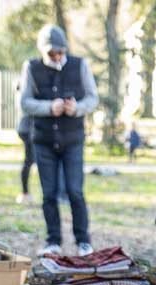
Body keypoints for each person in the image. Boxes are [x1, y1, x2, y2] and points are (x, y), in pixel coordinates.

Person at [21, 25, 98, 257]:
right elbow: (24, 102)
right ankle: (53, 240)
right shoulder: (31, 67)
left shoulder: (80, 65)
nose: (56, 57)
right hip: (43, 140)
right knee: (49, 193)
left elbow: (93, 98)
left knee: (75, 191)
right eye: (51, 53)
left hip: (73, 139)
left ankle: (83, 240)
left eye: (59, 52)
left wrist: (77, 108)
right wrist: (48, 107)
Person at [16, 61, 35, 204]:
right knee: (29, 160)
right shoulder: (26, 88)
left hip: (26, 127)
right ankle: (25, 192)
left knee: (29, 160)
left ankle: (25, 191)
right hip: (29, 128)